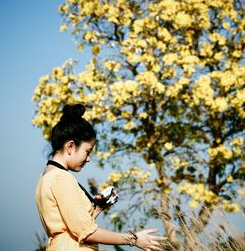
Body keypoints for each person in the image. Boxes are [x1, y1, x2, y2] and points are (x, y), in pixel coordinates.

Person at [35, 104, 165, 250]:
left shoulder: (46, 177)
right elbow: (87, 233)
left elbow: (72, 225)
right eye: (87, 151)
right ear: (70, 147)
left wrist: (96, 208)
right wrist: (133, 239)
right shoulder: (62, 178)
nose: (88, 158)